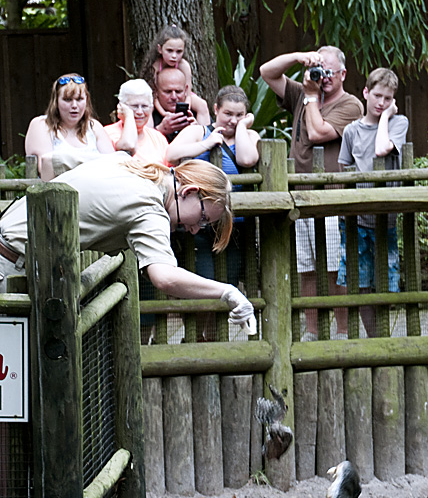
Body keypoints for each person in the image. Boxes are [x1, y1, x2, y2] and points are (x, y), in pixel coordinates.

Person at [0, 153, 256, 337]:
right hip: (11, 267)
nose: (195, 229)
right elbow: (165, 278)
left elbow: (56, 158)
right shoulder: (148, 206)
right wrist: (228, 292)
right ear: (188, 191)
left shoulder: (126, 162)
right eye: (202, 218)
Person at [260, 46, 363, 338]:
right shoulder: (303, 93)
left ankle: (342, 331)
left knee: (334, 269)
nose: (324, 77)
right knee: (307, 269)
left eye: (329, 72)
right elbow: (266, 72)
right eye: (320, 70)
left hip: (331, 198)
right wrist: (297, 57)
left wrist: (310, 96)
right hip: (300, 195)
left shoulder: (351, 105)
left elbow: (318, 133)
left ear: (343, 74)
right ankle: (313, 331)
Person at [167, 85, 260, 336]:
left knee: (229, 278)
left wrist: (242, 129)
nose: (232, 119)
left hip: (236, 227)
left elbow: (248, 159)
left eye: (240, 115)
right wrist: (207, 143)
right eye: (228, 113)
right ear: (216, 109)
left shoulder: (249, 136)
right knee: (204, 279)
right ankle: (197, 337)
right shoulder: (199, 130)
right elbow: (172, 153)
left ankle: (217, 337)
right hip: (199, 223)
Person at [337, 67, 408, 336]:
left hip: (385, 218)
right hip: (356, 217)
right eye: (377, 96)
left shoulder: (398, 123)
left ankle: (385, 334)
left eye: (388, 99)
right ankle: (373, 335)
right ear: (365, 93)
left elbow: (381, 149)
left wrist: (386, 118)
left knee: (386, 278)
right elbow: (344, 167)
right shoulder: (351, 131)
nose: (381, 103)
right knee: (360, 278)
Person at [24, 73, 114, 181]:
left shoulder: (94, 127)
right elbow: (46, 168)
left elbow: (112, 165)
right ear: (56, 101)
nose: (74, 105)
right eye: (67, 100)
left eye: (79, 99)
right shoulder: (41, 124)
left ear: (87, 100)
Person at [140, 24, 210, 124]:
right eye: (169, 51)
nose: (174, 56)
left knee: (202, 104)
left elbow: (188, 93)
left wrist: (185, 110)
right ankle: (150, 136)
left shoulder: (184, 65)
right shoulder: (155, 67)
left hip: (182, 95)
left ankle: (206, 133)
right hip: (158, 97)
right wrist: (164, 113)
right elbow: (154, 95)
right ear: (160, 49)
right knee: (148, 108)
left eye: (179, 52)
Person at [104, 79, 169, 163]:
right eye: (134, 106)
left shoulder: (158, 137)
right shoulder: (108, 133)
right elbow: (128, 146)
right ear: (121, 107)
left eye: (144, 106)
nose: (139, 112)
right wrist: (128, 116)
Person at [151, 68, 199, 143]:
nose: (174, 97)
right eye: (168, 92)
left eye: (178, 91)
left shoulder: (196, 113)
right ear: (156, 91)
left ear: (186, 90)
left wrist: (197, 132)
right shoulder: (149, 114)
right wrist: (160, 130)